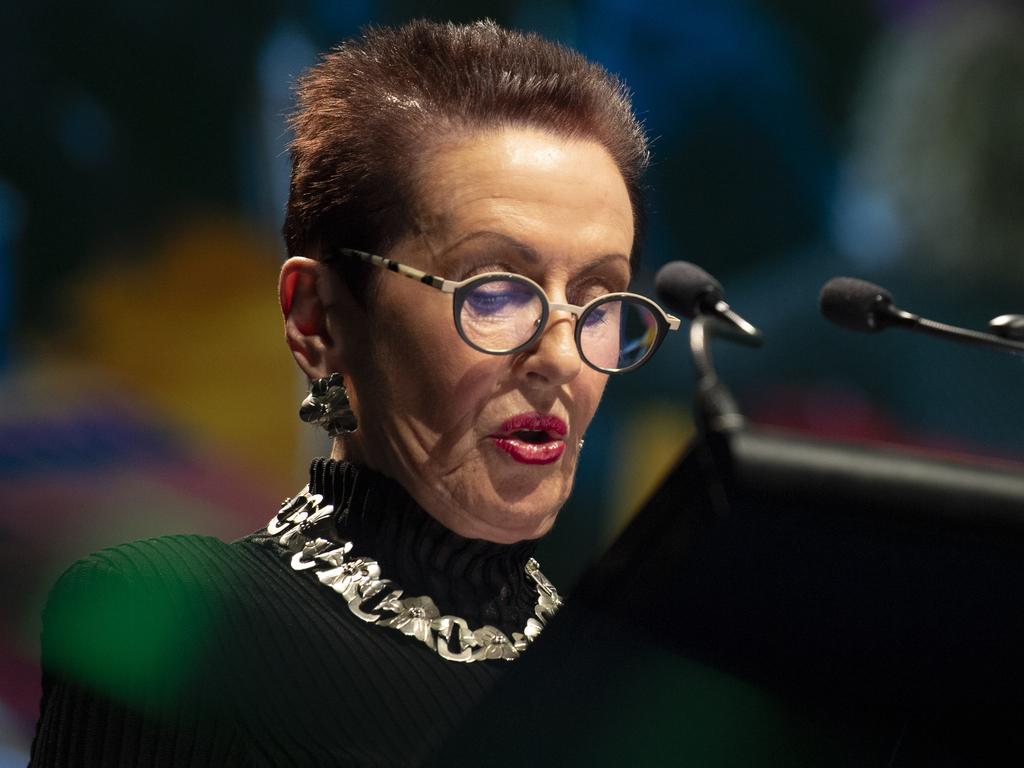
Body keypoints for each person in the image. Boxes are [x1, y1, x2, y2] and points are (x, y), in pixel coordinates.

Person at [29, 19, 679, 766]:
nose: (562, 356)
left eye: (600, 300)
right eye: (497, 290)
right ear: (319, 319)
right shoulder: (171, 615)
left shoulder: (635, 693)